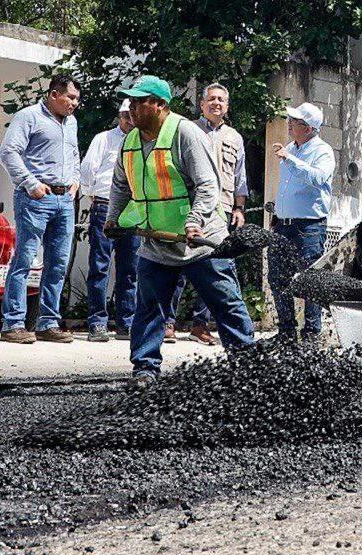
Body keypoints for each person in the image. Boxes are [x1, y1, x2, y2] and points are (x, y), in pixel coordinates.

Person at [105, 75, 255, 381]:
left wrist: (195, 220)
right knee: (149, 308)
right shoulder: (130, 141)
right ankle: (145, 368)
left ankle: (248, 366)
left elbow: (207, 185)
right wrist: (113, 218)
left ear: (160, 105)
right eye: (130, 102)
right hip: (158, 241)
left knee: (225, 303)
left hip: (201, 240)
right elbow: (121, 186)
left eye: (139, 101)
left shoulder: (184, 133)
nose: (132, 108)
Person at [164, 82, 250, 346]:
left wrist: (239, 208)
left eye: (221, 100)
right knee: (178, 264)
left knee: (216, 268)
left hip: (222, 210)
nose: (216, 104)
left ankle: (201, 325)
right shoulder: (187, 130)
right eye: (211, 99)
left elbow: (240, 177)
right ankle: (168, 322)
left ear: (227, 106)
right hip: (188, 207)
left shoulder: (235, 137)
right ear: (201, 104)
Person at [0, 75, 82, 345]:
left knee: (58, 264)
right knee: (25, 259)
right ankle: (13, 323)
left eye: (77, 99)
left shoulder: (72, 123)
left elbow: (74, 156)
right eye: (70, 97)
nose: (74, 104)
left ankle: (48, 323)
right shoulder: (29, 116)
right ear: (54, 94)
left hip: (64, 201)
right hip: (35, 198)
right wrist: (31, 183)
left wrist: (76, 180)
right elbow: (9, 152)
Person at [268, 102, 335, 343]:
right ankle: (286, 331)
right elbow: (287, 188)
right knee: (277, 277)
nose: (288, 124)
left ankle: (311, 334)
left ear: (308, 128)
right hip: (283, 224)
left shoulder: (323, 151)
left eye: (294, 122)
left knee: (310, 279)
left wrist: (291, 160)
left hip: (309, 226)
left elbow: (318, 178)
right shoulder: (291, 148)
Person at [79, 100, 139, 342]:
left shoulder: (144, 141)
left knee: (130, 269)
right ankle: (97, 323)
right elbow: (87, 169)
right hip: (104, 205)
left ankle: (127, 324)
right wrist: (91, 193)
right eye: (126, 115)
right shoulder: (104, 138)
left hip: (133, 210)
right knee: (100, 266)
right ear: (119, 115)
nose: (129, 119)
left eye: (133, 115)